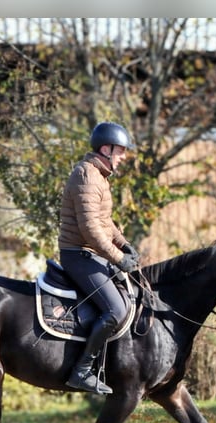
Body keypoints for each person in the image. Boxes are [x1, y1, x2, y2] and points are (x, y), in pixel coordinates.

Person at [57, 121, 141, 395]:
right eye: (120, 150)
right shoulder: (86, 175)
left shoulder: (99, 176)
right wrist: (118, 258)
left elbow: (105, 222)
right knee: (117, 310)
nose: (123, 156)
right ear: (106, 148)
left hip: (91, 253)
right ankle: (82, 371)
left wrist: (125, 244)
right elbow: (90, 229)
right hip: (78, 255)